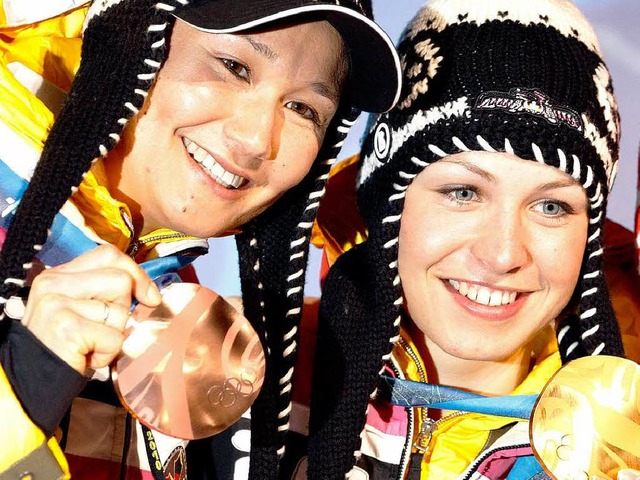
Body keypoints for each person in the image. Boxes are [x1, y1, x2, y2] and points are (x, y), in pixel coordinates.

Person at [0, 0, 401, 479]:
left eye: (302, 108)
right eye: (234, 67)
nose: (256, 139)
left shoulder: (177, 305)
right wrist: (20, 392)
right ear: (130, 40)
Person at [301, 0, 640, 478]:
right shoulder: (236, 382)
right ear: (387, 207)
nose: (503, 254)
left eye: (551, 206)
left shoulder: (629, 449)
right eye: (464, 192)